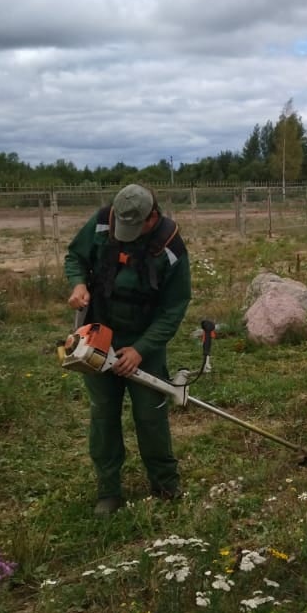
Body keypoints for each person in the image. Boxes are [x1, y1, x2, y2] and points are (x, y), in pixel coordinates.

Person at [65, 183, 192, 516]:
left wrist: (141, 348)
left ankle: (165, 485)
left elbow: (174, 308)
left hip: (144, 342)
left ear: (152, 218)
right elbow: (75, 257)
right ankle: (108, 491)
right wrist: (78, 283)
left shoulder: (171, 247)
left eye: (134, 228)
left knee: (151, 417)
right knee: (103, 415)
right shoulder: (102, 222)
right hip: (97, 336)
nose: (125, 234)